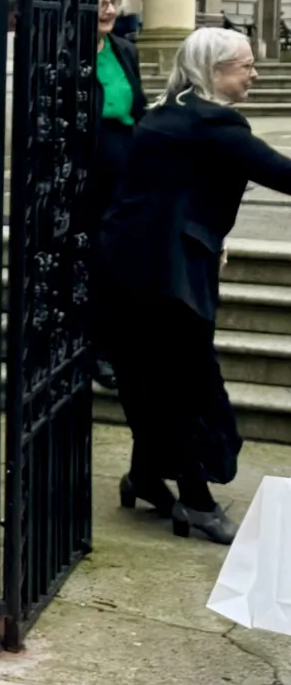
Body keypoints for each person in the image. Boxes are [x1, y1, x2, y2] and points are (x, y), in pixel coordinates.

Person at [103, 27, 291, 545]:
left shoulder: (167, 114)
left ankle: (145, 477)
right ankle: (197, 502)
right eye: (246, 66)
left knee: (153, 377)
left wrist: (207, 233)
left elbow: (166, 191)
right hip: (171, 275)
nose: (254, 74)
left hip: (134, 262)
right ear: (215, 70)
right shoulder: (214, 125)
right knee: (187, 384)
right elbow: (281, 173)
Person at [87, 0, 148, 391]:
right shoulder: (65, 52)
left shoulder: (124, 49)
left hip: (128, 165)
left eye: (113, 3)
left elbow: (137, 108)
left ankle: (122, 342)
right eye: (100, 4)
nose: (108, 11)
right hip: (87, 172)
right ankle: (97, 348)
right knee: (97, 259)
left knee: (126, 257)